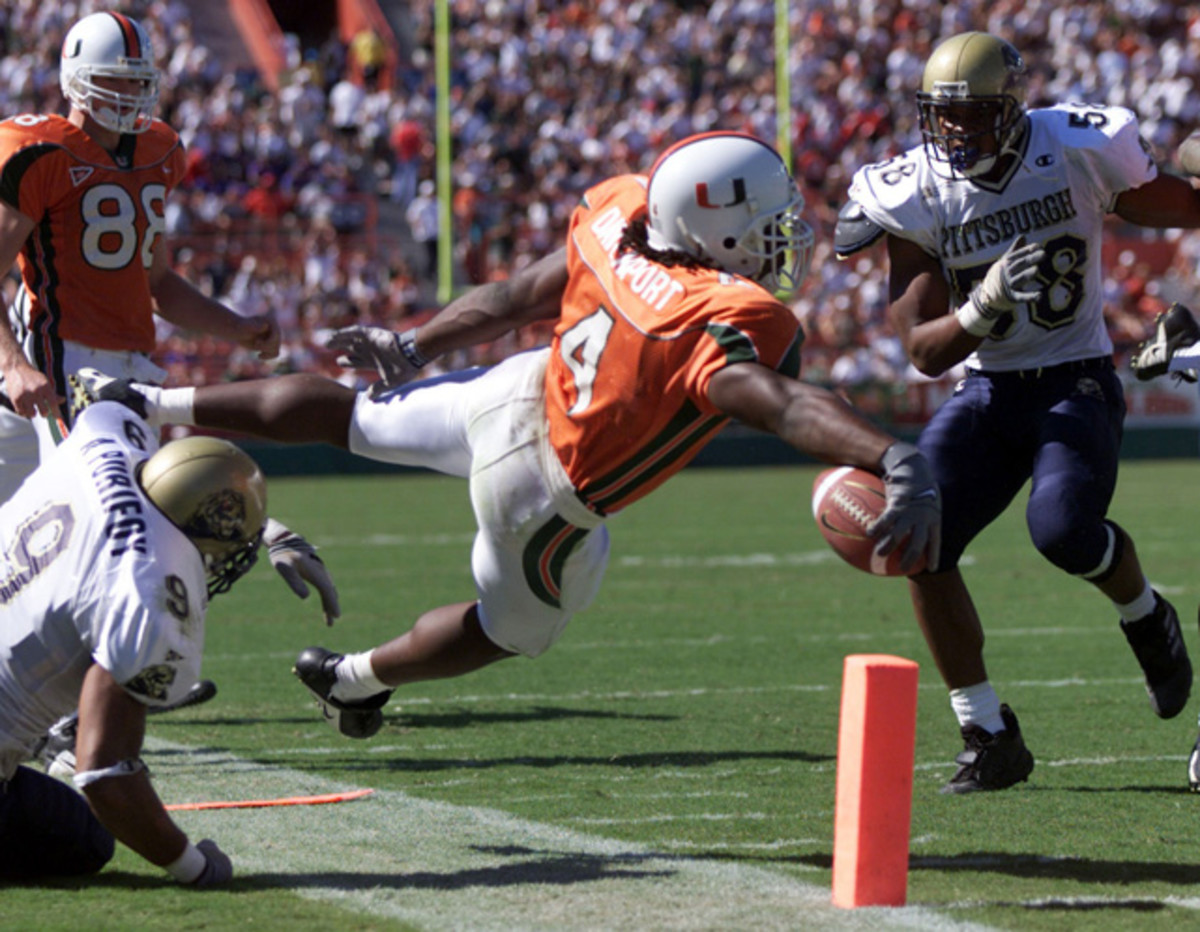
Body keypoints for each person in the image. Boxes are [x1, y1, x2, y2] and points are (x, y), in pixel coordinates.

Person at [79, 131, 942, 740]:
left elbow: (512, 297)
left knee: (351, 415)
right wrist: (887, 450)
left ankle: (147, 400)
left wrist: (415, 342)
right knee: (512, 628)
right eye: (766, 227)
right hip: (544, 490)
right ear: (713, 232)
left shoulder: (623, 216)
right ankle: (351, 681)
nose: (781, 241)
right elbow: (776, 403)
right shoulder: (723, 316)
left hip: (510, 391)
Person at [836, 31, 1200, 794]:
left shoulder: (1073, 149)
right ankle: (988, 731)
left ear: (1013, 109)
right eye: (944, 117)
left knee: (1063, 532)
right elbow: (926, 352)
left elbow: (1173, 206)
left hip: (1075, 379)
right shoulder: (914, 190)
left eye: (974, 115)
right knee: (918, 533)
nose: (957, 132)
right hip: (987, 388)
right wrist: (985, 304)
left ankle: (1146, 616)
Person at [0, 11, 280, 499]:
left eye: (137, 82)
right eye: (114, 80)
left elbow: (157, 284)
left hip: (127, 362)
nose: (127, 95)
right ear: (76, 79)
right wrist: (15, 366)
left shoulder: (159, 152)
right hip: (58, 360)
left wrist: (236, 327)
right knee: (107, 511)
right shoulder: (40, 152)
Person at [0, 385, 268, 883]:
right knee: (84, 839)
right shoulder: (150, 589)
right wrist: (195, 866)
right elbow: (105, 777)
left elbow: (116, 397)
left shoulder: (103, 438)